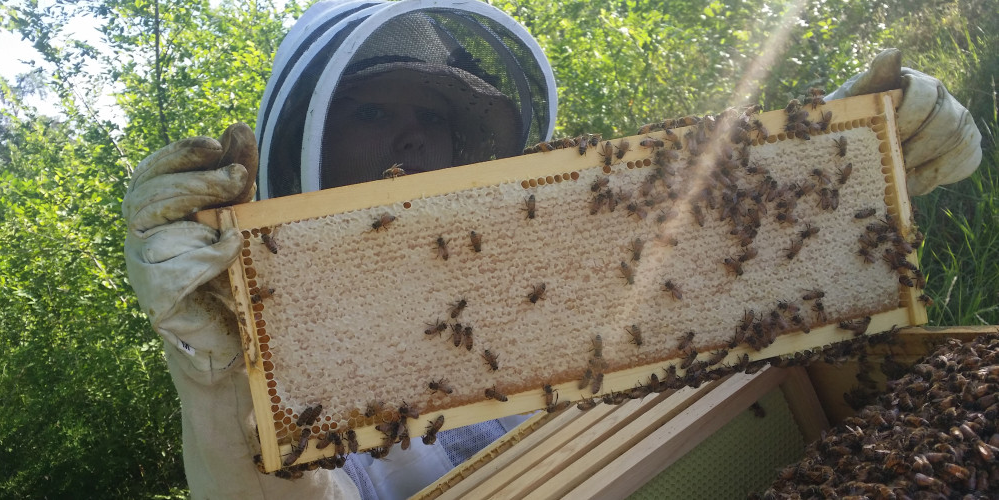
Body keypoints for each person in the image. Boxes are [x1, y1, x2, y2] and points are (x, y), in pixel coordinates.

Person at [121, 0, 982, 498]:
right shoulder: (294, 363)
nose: (412, 137)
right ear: (303, 132)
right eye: (376, 111)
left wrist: (853, 151)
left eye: (434, 115)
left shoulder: (553, 260)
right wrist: (214, 383)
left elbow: (727, 273)